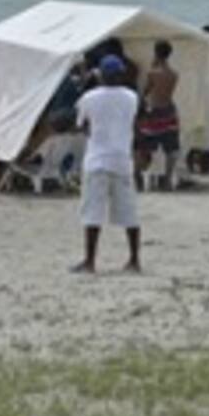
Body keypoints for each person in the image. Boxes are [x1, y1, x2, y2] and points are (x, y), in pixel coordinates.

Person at [72, 55, 142, 275]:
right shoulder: (131, 97)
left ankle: (90, 261)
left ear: (100, 74)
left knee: (93, 212)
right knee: (129, 211)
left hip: (97, 159)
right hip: (122, 158)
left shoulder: (89, 98)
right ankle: (134, 259)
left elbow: (81, 125)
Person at [137, 40, 180, 190]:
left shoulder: (152, 73)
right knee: (171, 147)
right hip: (169, 109)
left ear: (156, 53)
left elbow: (145, 92)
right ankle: (167, 179)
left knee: (146, 145)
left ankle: (142, 176)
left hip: (154, 111)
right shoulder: (174, 74)